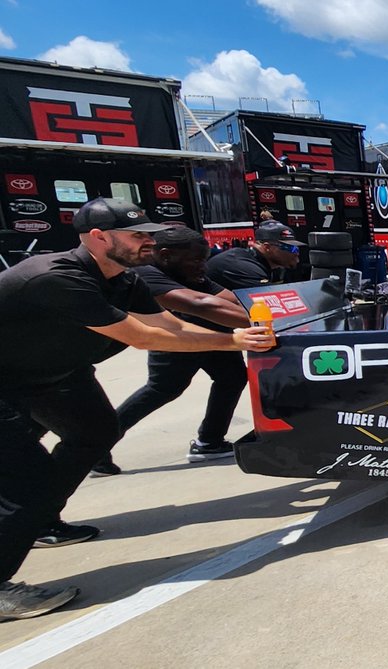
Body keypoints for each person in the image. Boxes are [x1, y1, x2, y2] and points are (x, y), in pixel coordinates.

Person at [0, 198, 273, 621]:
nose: (147, 241)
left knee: (95, 435)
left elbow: (174, 325)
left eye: (149, 234)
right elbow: (143, 337)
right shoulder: (57, 277)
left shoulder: (125, 280)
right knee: (25, 486)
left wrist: (244, 330)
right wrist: (234, 342)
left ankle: (40, 519)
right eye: (136, 235)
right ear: (98, 237)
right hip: (6, 384)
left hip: (56, 375)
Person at [90, 227, 254, 476]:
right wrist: (264, 321)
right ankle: (95, 449)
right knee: (162, 389)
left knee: (232, 379)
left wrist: (268, 308)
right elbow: (199, 303)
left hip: (209, 335)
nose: (202, 266)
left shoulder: (189, 272)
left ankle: (209, 442)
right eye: (196, 260)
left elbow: (228, 298)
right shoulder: (146, 273)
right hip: (176, 339)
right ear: (166, 255)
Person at [205, 221, 305, 287]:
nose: (295, 253)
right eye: (290, 248)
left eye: (296, 248)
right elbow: (268, 302)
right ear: (267, 247)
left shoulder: (261, 261)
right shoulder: (243, 266)